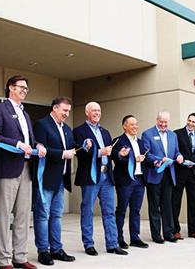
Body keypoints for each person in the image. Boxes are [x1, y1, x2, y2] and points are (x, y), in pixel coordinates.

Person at [0, 75, 46, 269]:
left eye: (26, 88)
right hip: (7, 168)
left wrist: (38, 144)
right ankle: (3, 260)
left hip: (26, 169)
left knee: (23, 216)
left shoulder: (25, 113)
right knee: (4, 216)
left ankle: (20, 257)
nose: (24, 91)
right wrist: (17, 143)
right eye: (21, 87)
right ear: (10, 88)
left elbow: (31, 138)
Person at [73, 102, 128, 256]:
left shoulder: (105, 132)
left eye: (99, 110)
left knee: (109, 211)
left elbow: (110, 153)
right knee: (87, 211)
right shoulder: (79, 131)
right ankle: (88, 244)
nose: (97, 113)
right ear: (87, 112)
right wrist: (99, 152)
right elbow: (80, 153)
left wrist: (119, 154)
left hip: (106, 176)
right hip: (90, 177)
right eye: (94, 110)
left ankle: (112, 244)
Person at [33, 97, 76, 266]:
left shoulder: (66, 128)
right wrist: (61, 154)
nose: (67, 114)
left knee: (56, 216)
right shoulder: (42, 125)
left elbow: (72, 145)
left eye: (68, 111)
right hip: (46, 178)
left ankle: (56, 249)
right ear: (55, 108)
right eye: (64, 110)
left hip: (61, 179)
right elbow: (40, 149)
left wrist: (85, 144)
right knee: (42, 216)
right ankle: (43, 251)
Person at [141, 111, 183, 244]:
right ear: (157, 120)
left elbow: (176, 152)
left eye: (166, 122)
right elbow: (146, 154)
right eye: (161, 121)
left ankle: (168, 233)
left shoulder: (173, 135)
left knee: (167, 205)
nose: (163, 124)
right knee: (154, 206)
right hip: (155, 174)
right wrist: (160, 159)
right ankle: (156, 234)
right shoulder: (147, 134)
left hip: (169, 174)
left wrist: (180, 156)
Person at [112, 115, 149, 249]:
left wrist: (155, 162)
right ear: (124, 126)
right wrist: (134, 160)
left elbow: (145, 158)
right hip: (125, 181)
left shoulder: (140, 142)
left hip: (139, 180)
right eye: (132, 124)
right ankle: (118, 238)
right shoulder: (118, 141)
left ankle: (135, 237)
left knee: (136, 210)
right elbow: (117, 159)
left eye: (136, 124)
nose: (135, 127)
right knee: (121, 210)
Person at [172, 113, 195, 240]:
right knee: (175, 202)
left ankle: (193, 230)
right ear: (187, 120)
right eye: (189, 120)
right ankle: (175, 230)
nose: (191, 123)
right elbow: (175, 151)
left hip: (194, 174)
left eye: (194, 122)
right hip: (180, 172)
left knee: (194, 203)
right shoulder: (177, 134)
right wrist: (182, 159)